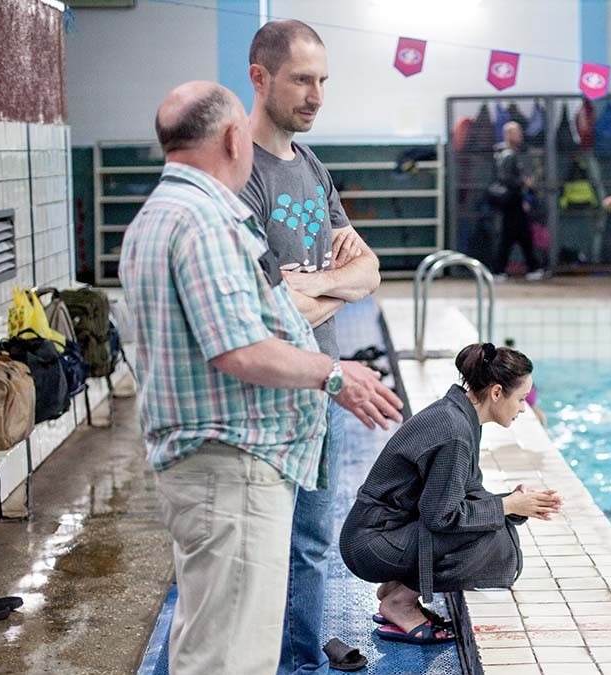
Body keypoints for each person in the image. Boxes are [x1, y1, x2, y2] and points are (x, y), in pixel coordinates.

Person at [120, 81, 358, 675]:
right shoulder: (205, 221)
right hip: (232, 468)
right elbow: (239, 348)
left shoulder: (158, 216)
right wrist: (333, 374)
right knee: (233, 655)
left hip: (209, 466)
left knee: (210, 643)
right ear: (233, 137)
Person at [241, 19, 404, 675]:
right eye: (302, 80)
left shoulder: (311, 166)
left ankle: (302, 664)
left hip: (321, 386)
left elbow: (370, 271)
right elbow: (262, 310)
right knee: (257, 545)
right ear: (260, 78)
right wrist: (337, 287)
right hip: (265, 392)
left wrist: (314, 286)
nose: (316, 96)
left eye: (323, 81)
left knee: (310, 542)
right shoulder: (240, 172)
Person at [339, 343, 562, 645]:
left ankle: (395, 587)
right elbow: (441, 516)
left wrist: (516, 503)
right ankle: (400, 601)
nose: (524, 408)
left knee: (497, 524)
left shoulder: (460, 415)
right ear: (497, 392)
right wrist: (507, 506)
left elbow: (465, 493)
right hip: (372, 545)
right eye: (521, 399)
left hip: (381, 533)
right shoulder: (455, 431)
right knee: (494, 540)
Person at [492, 121, 545, 281]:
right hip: (511, 202)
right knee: (511, 237)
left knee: (522, 236)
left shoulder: (510, 153)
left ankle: (531, 268)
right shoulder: (507, 155)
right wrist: (523, 183)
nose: (520, 136)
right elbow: (505, 178)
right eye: (516, 133)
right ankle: (500, 271)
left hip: (515, 201)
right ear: (508, 135)